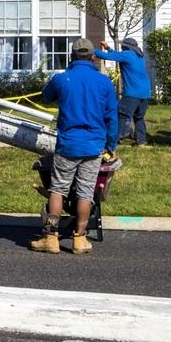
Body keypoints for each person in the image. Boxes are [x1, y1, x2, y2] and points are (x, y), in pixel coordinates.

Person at [31, 38, 117, 255]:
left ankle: (51, 238)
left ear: (72, 56)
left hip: (68, 143)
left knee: (58, 189)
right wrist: (111, 143)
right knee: (86, 192)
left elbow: (46, 95)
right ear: (92, 57)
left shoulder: (62, 79)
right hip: (94, 145)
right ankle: (80, 239)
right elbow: (111, 117)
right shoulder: (104, 82)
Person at [96, 37, 152, 146]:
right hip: (145, 92)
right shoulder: (139, 55)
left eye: (122, 45)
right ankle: (141, 141)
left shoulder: (127, 54)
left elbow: (106, 56)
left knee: (120, 114)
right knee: (138, 117)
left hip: (133, 92)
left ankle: (114, 140)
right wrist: (108, 48)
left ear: (126, 46)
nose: (121, 46)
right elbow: (117, 55)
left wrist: (90, 51)